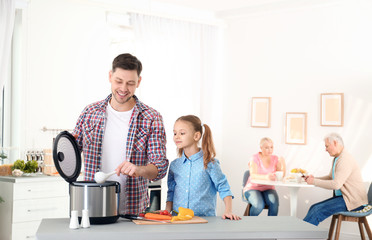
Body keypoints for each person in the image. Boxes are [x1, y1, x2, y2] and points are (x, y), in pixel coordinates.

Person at [73, 53, 169, 215]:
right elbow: (72, 156)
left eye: (130, 83)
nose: (123, 89)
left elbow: (160, 167)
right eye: (119, 81)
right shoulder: (89, 113)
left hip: (132, 211)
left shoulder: (151, 118)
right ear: (110, 76)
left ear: (139, 82)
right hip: (91, 206)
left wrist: (139, 170)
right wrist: (67, 145)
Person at [166, 115, 241, 220]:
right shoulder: (174, 165)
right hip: (178, 220)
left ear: (196, 136)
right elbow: (171, 191)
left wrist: (228, 211)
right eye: (175, 133)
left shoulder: (209, 163)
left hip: (205, 221)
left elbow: (223, 187)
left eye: (182, 133)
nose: (176, 136)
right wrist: (166, 211)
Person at [303, 133, 367, 226]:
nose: (325, 149)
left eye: (327, 146)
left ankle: (299, 235)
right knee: (314, 208)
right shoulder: (338, 158)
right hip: (344, 198)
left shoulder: (345, 159)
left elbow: (336, 184)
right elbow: (330, 177)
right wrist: (314, 178)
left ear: (335, 143)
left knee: (317, 210)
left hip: (353, 201)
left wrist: (314, 182)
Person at [242, 137, 286, 216]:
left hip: (268, 188)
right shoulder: (254, 158)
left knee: (274, 204)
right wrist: (266, 177)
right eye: (267, 148)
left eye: (271, 147)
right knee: (258, 206)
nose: (270, 150)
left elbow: (280, 177)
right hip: (252, 188)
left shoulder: (275, 158)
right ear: (261, 148)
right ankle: (249, 225)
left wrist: (283, 163)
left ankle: (270, 227)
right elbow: (253, 175)